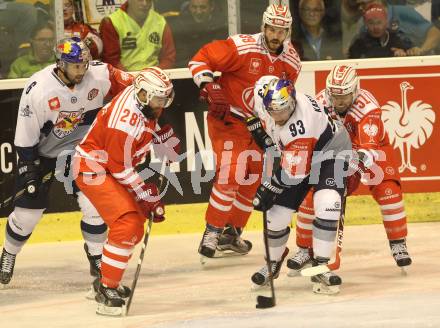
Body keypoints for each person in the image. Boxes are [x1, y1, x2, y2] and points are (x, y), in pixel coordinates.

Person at [0, 37, 133, 286]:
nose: (82, 70)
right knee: (27, 215)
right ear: (61, 64)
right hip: (44, 155)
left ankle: (97, 256)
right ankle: (9, 252)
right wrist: (29, 172)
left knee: (95, 203)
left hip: (83, 151)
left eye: (84, 64)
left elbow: (135, 88)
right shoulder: (38, 90)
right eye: (76, 66)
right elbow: (25, 139)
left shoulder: (99, 74)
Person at [188, 4, 301, 260]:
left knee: (252, 180)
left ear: (288, 31)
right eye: (272, 28)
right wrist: (209, 85)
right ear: (264, 26)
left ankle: (231, 233)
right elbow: (199, 58)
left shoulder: (292, 61)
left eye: (281, 30)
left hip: (260, 127)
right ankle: (212, 230)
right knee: (231, 174)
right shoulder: (242, 46)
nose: (275, 35)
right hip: (230, 119)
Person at [74, 67, 180, 316]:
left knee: (133, 224)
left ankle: (106, 280)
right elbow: (119, 168)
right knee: (128, 224)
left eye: (164, 99)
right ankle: (106, 287)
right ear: (143, 95)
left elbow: (111, 72)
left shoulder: (137, 86)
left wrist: (158, 133)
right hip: (95, 168)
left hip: (110, 166)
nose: (161, 104)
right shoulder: (123, 123)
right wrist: (147, 195)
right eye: (158, 99)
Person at [288, 65, 412, 276]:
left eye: (344, 96)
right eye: (335, 96)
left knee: (388, 192)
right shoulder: (319, 103)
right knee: (311, 196)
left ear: (355, 90)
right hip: (336, 154)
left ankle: (398, 242)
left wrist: (349, 170)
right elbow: (312, 137)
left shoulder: (368, 106)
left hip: (374, 152)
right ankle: (304, 249)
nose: (339, 101)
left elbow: (368, 150)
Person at [250, 76, 352, 294]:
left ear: (293, 103)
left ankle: (320, 266)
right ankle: (273, 263)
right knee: (275, 215)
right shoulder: (264, 97)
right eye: (272, 110)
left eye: (283, 110)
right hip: (298, 157)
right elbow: (258, 90)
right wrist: (264, 135)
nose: (277, 115)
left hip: (331, 153)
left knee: (327, 203)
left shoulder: (300, 126)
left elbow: (295, 174)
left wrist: (269, 187)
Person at [341, 0, 440, 56]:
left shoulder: (402, 12)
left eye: (364, 3)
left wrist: (421, 50)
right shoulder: (362, 22)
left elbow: (435, 32)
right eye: (358, 5)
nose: (360, 8)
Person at [99, 0, 176, 71]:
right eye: (139, 0)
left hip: (155, 78)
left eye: (148, 0)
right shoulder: (111, 22)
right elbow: (111, 61)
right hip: (124, 79)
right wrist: (131, 79)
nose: (144, 4)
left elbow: (168, 58)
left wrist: (154, 75)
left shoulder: (160, 21)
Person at [169, 0, 228, 67]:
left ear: (211, 7)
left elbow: (220, 55)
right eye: (194, 7)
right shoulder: (179, 27)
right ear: (189, 7)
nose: (198, 11)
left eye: (203, 7)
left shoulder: (222, 26)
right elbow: (181, 57)